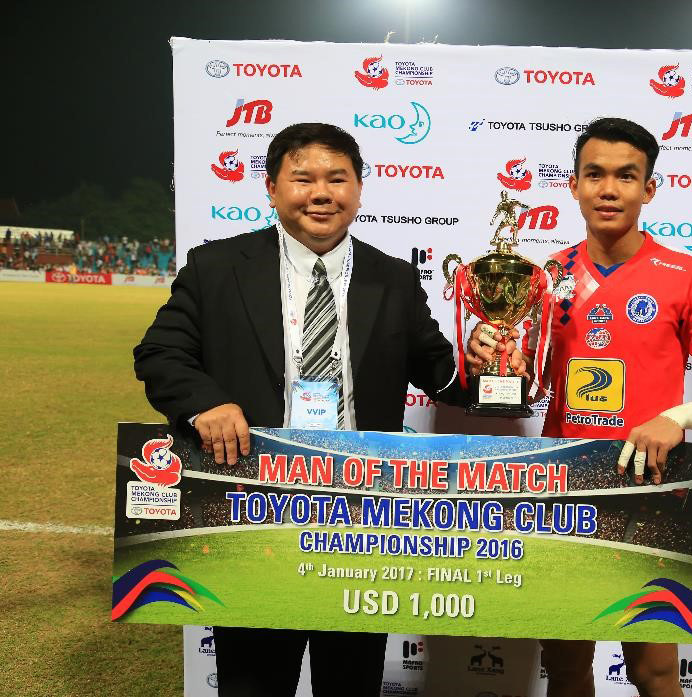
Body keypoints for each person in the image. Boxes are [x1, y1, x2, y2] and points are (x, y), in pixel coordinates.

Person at [134, 122, 522, 697]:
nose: (322, 193)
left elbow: (441, 375)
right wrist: (206, 402)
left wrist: (484, 364)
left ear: (359, 190)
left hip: (361, 514)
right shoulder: (216, 267)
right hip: (255, 503)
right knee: (251, 680)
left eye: (338, 178)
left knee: (351, 680)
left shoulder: (391, 278)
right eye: (303, 178)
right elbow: (161, 353)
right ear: (271, 188)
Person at [470, 117, 692, 697]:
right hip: (565, 487)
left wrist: (675, 419)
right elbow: (527, 384)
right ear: (572, 186)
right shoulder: (543, 277)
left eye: (626, 176)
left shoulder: (687, 275)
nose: (608, 189)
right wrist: (496, 362)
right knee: (569, 667)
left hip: (649, 487)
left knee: (654, 670)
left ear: (649, 189)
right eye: (594, 174)